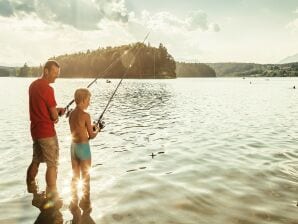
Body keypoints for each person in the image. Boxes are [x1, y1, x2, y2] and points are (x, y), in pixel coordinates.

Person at [26, 60, 65, 208]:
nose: (56, 77)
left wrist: (55, 111)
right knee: (52, 164)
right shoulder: (48, 89)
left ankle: (31, 186)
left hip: (35, 130)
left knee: (36, 160)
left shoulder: (33, 86)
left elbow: (42, 108)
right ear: (46, 71)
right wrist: (57, 115)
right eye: (55, 73)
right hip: (47, 132)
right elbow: (54, 116)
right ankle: (52, 196)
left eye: (58, 74)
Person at [68, 88, 100, 217]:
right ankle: (86, 202)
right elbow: (91, 136)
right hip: (84, 148)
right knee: (86, 176)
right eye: (88, 100)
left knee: (75, 175)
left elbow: (79, 129)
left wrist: (89, 128)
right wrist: (97, 129)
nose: (89, 103)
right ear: (82, 100)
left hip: (73, 147)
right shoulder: (86, 115)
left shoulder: (71, 114)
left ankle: (74, 200)